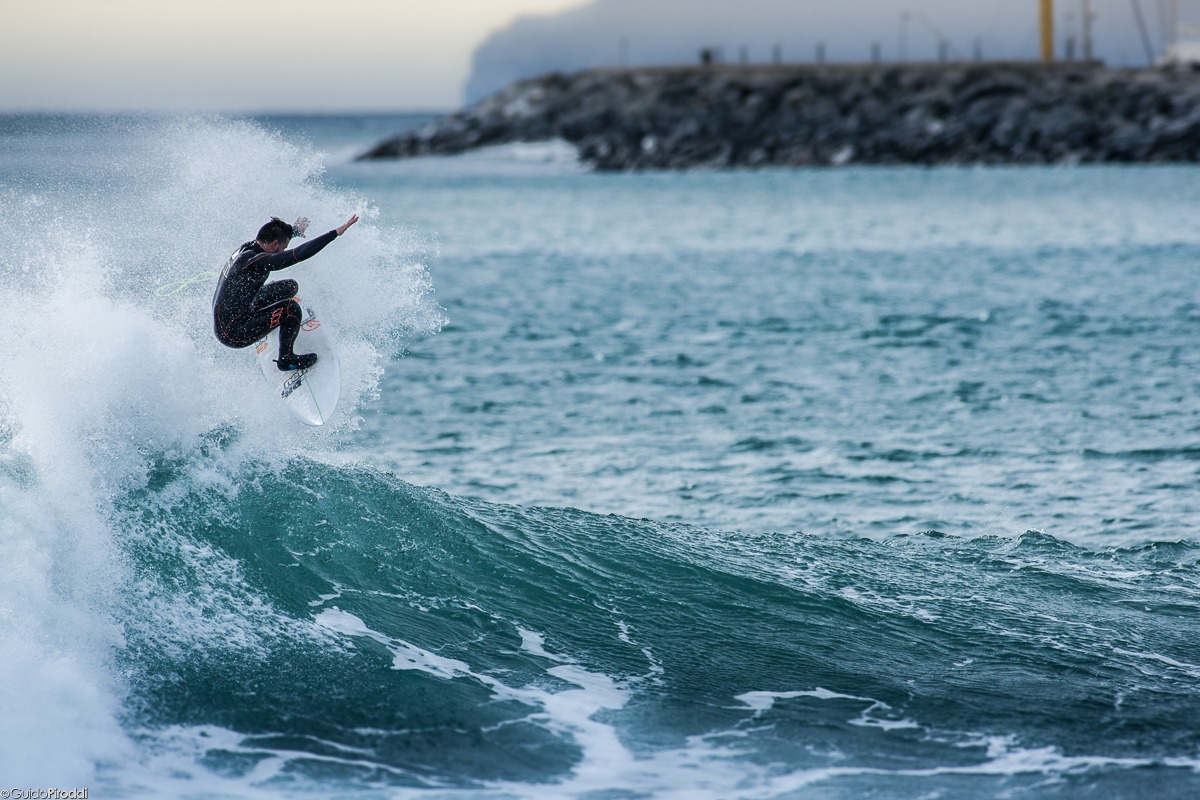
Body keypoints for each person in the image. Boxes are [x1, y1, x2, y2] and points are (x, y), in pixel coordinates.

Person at [213, 214, 358, 370]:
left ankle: (270, 320)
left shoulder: (249, 248)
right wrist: (335, 233)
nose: (284, 251)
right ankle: (286, 359)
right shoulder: (257, 261)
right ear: (275, 244)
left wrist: (293, 231)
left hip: (240, 309)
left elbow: (277, 238)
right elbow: (298, 254)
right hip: (232, 332)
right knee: (291, 309)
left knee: (289, 287)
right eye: (283, 248)